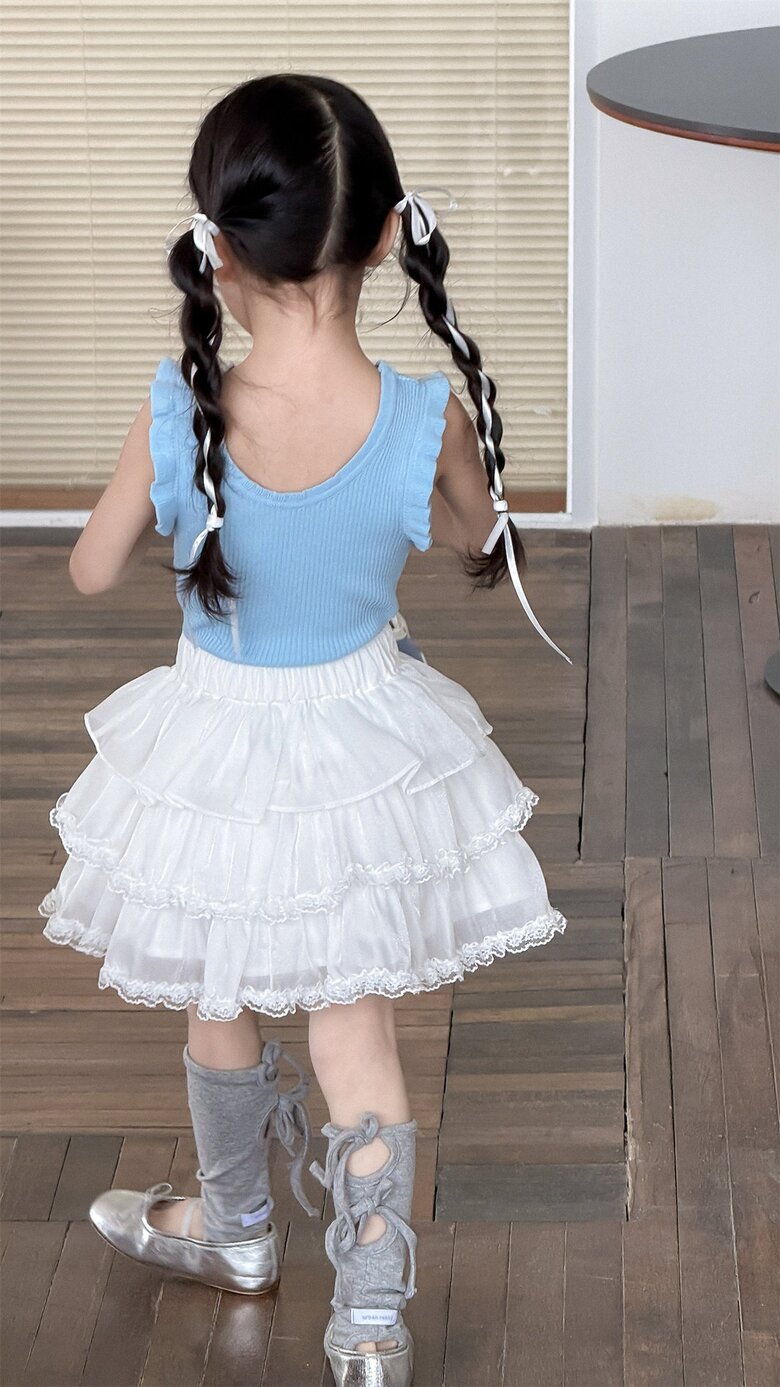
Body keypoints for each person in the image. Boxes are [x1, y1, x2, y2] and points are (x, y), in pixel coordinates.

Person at [37, 72, 570, 1387]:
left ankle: (237, 1230)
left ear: (218, 250)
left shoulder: (182, 408)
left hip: (212, 745)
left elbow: (91, 572)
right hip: (361, 741)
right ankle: (372, 1322)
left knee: (217, 992)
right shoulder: (420, 420)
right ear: (388, 237)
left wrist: (165, 479)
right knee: (355, 1025)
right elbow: (477, 539)